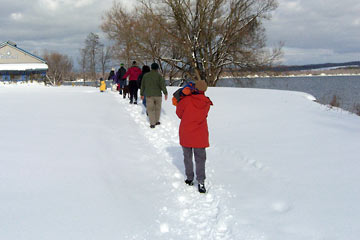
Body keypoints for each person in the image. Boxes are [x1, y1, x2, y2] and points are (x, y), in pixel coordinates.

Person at [175, 80, 212, 193]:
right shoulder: (206, 102)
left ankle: (189, 178)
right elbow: (204, 115)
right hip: (200, 134)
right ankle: (201, 182)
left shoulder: (186, 100)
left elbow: (179, 114)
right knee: (200, 159)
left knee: (187, 157)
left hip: (186, 132)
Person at [140, 62, 168, 128]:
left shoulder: (146, 76)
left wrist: (141, 94)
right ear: (157, 68)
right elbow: (162, 85)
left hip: (149, 95)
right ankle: (157, 121)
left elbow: (142, 86)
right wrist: (165, 93)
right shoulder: (159, 76)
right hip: (158, 95)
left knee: (150, 109)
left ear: (151, 68)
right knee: (158, 108)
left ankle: (152, 123)